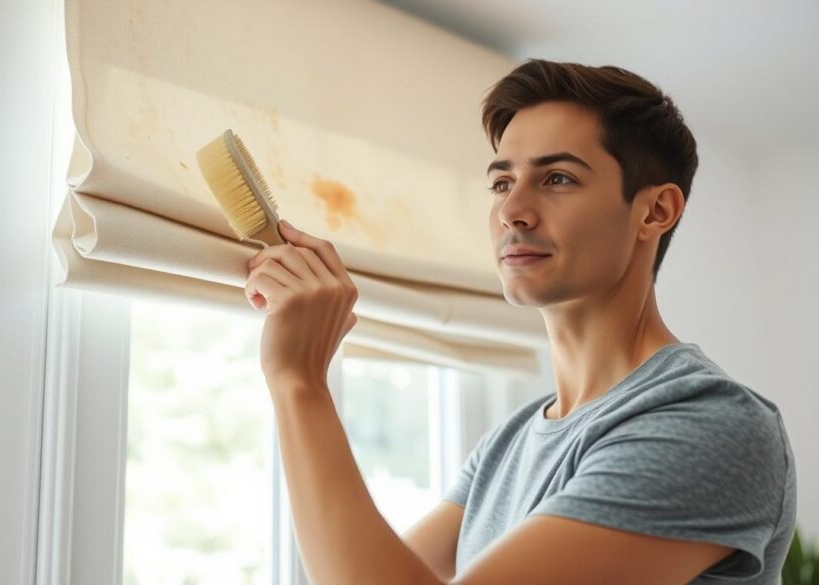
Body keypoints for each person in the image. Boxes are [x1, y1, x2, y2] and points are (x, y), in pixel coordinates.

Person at [244, 58, 796, 584]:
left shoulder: (709, 423)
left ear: (654, 211)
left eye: (557, 178)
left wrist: (300, 383)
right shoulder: (507, 445)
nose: (513, 211)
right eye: (503, 182)